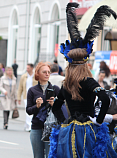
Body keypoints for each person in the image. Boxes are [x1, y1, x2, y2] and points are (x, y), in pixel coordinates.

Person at [48, 3, 117, 158]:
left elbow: (56, 106)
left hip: (69, 130)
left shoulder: (66, 84)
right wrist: (98, 122)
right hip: (88, 131)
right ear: (85, 64)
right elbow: (105, 99)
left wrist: (64, 122)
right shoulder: (88, 81)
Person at [26, 62, 60, 158]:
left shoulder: (56, 89)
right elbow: (28, 110)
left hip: (51, 128)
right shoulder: (32, 90)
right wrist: (37, 106)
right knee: (38, 156)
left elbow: (63, 110)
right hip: (37, 127)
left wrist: (55, 104)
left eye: (48, 72)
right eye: (44, 72)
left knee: (50, 155)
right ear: (38, 74)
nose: (47, 74)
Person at [17, 63, 37, 132]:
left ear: (32, 68)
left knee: (33, 111)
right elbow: (20, 87)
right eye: (26, 68)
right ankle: (29, 126)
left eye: (28, 68)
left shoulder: (36, 76)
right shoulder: (24, 76)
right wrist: (19, 97)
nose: (27, 69)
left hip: (34, 96)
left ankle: (27, 124)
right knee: (28, 111)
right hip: (26, 96)